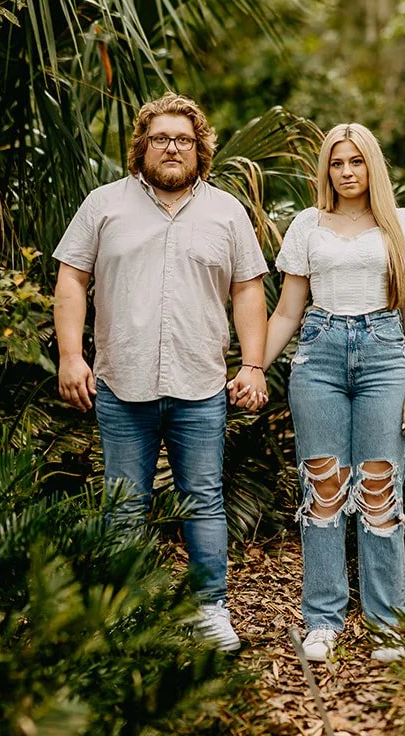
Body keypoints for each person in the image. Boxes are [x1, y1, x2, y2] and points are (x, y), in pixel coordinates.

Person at [52, 93, 269, 653]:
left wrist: (253, 364)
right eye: (161, 138)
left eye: (184, 140)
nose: (172, 148)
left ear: (200, 150)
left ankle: (209, 610)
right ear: (142, 146)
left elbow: (248, 289)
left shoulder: (227, 212)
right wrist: (71, 356)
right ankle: (123, 612)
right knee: (124, 503)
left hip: (201, 385)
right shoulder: (104, 205)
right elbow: (72, 279)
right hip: (121, 384)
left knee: (203, 498)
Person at [262, 123, 405, 663]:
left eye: (356, 161)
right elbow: (287, 311)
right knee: (323, 489)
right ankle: (322, 620)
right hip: (319, 356)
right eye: (336, 163)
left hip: (385, 355)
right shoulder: (307, 225)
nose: (346, 172)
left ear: (372, 166)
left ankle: (387, 623)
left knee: (381, 490)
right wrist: (251, 367)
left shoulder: (401, 224)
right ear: (327, 170)